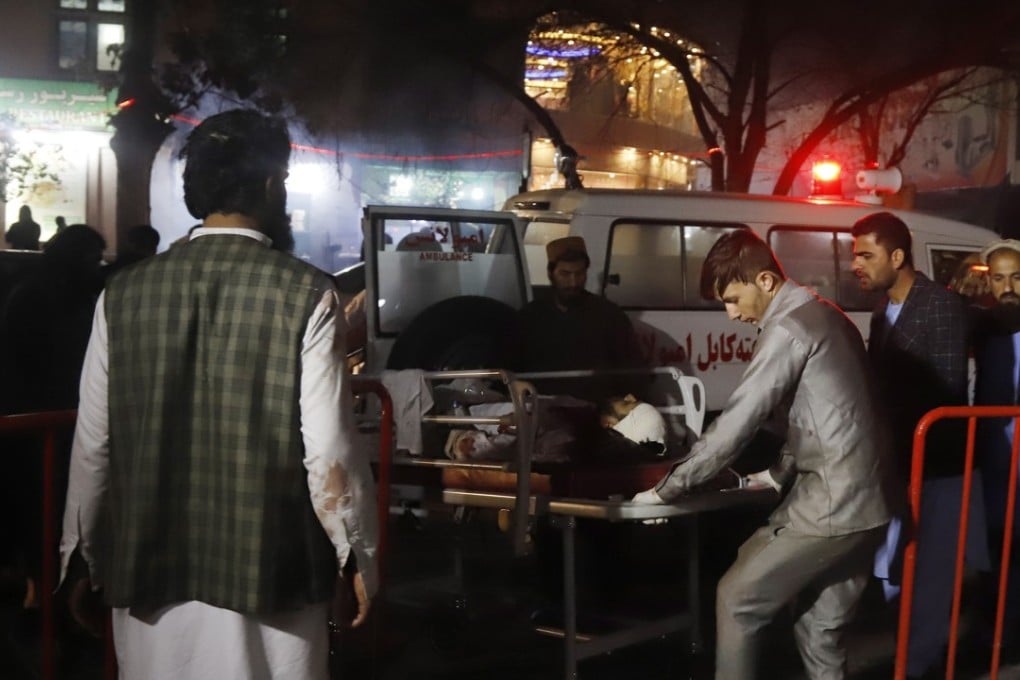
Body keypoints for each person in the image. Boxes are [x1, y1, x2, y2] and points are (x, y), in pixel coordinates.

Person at [58, 110, 379, 678]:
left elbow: (94, 444)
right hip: (270, 568)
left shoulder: (123, 293)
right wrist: (355, 554)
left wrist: (79, 557)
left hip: (146, 566)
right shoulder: (307, 293)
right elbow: (328, 452)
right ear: (271, 185)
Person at [632, 229, 895, 680]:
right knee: (820, 628)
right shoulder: (826, 315)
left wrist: (667, 488)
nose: (730, 314)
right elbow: (822, 409)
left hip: (833, 501)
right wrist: (776, 474)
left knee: (738, 599)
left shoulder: (788, 327)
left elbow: (740, 419)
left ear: (767, 283)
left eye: (733, 299)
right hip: (874, 499)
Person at [851, 211, 988, 678]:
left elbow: (948, 394)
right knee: (892, 571)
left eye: (865, 255)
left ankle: (917, 665)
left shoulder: (939, 306)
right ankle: (908, 659)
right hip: (897, 464)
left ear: (897, 256)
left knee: (928, 578)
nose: (857, 265)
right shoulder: (880, 310)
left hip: (937, 467)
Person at [516, 235, 647, 402]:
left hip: (595, 412)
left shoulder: (609, 315)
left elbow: (633, 370)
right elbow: (510, 369)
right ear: (551, 273)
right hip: (544, 411)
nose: (573, 282)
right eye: (565, 274)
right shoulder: (529, 317)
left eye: (579, 274)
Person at [970, 238, 1020, 650]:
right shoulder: (983, 327)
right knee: (996, 550)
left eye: (1017, 277)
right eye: (999, 278)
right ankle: (997, 635)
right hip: (993, 466)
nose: (1008, 288)